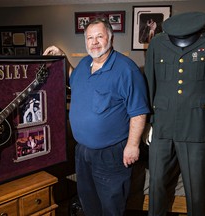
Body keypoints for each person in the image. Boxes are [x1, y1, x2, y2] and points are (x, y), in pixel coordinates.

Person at [44, 17, 150, 216]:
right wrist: (62, 57)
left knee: (111, 207)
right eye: (89, 38)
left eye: (99, 36)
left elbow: (138, 111)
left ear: (110, 39)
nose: (94, 42)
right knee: (88, 203)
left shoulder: (127, 70)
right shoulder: (85, 64)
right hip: (83, 152)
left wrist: (133, 145)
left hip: (110, 154)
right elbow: (72, 78)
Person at [144, 12, 205, 216]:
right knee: (156, 184)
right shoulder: (157, 43)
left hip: (196, 125)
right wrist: (148, 122)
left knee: (196, 188)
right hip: (161, 126)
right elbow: (149, 84)